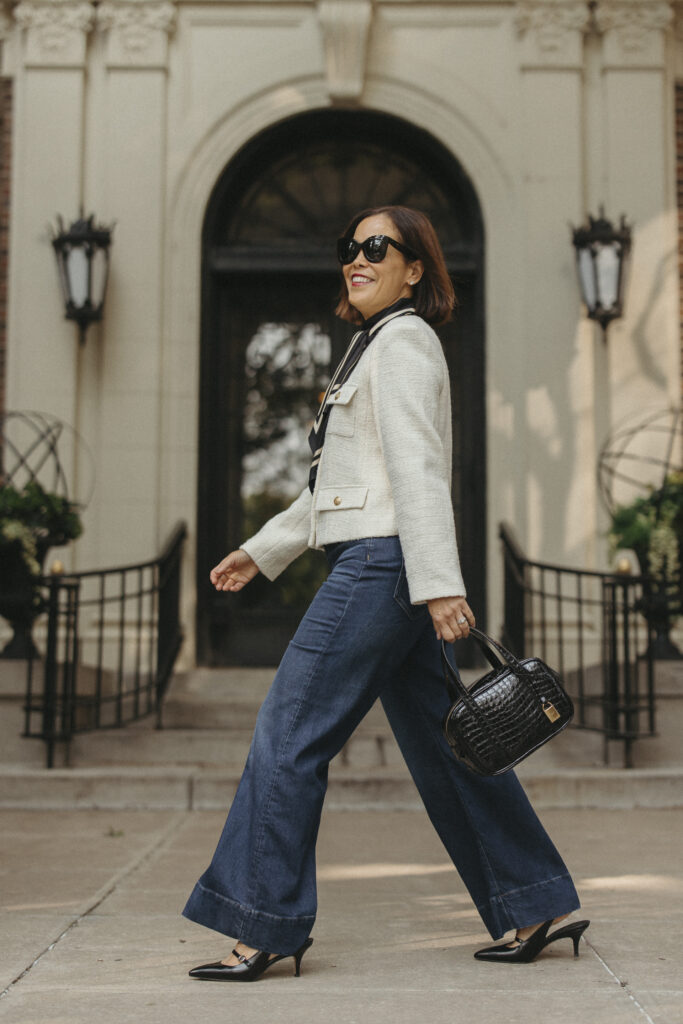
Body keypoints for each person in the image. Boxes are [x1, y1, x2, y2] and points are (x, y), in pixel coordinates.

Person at [183, 205, 588, 981]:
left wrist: (440, 586)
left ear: (415, 268)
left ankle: (262, 923)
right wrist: (260, 550)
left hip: (380, 566)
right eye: (350, 248)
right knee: (452, 745)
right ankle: (535, 901)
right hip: (383, 561)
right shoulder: (370, 349)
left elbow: (417, 474)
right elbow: (342, 488)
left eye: (377, 247)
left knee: (287, 732)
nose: (357, 258)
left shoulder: (402, 343)